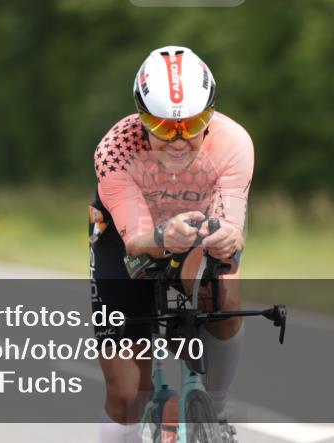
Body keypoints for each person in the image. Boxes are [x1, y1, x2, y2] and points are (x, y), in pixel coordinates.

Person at [90, 46, 253, 442]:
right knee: (128, 395)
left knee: (223, 293)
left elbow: (229, 227)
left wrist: (228, 235)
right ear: (142, 118)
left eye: (193, 124)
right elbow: (137, 242)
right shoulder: (116, 150)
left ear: (210, 114)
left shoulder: (234, 143)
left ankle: (215, 407)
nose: (179, 140)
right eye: (164, 128)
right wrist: (163, 236)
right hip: (126, 237)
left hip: (195, 231)